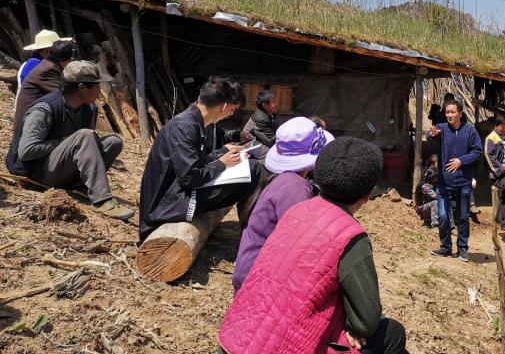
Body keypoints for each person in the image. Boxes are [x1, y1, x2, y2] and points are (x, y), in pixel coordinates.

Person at [216, 137, 479, 354]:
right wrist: (353, 326)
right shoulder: (349, 236)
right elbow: (366, 322)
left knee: (352, 344)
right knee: (390, 335)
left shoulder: (297, 211)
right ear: (367, 196)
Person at [138, 76, 261, 241]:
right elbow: (190, 177)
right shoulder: (184, 127)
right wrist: (222, 164)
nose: (231, 115)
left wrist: (224, 152)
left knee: (250, 167)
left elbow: (198, 161)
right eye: (232, 110)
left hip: (179, 192)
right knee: (253, 170)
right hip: (168, 203)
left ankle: (251, 233)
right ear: (224, 105)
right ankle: (253, 237)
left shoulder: (195, 121)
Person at [5, 60, 131, 220]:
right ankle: (102, 201)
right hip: (35, 174)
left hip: (60, 170)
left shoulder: (87, 109)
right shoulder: (45, 109)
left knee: (113, 142)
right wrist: (62, 142)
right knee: (84, 136)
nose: (100, 90)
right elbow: (26, 151)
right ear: (82, 87)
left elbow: (82, 146)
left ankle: (80, 185)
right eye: (96, 85)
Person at [232, 117, 334, 291]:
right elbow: (298, 243)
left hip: (254, 276)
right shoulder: (296, 188)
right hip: (259, 285)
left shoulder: (283, 180)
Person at [427, 99, 483, 263]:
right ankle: (445, 247)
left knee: (463, 217)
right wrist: (431, 134)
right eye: (447, 112)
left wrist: (461, 161)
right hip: (444, 182)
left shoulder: (470, 131)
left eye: (452, 112)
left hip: (464, 182)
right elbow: (430, 134)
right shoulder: (442, 128)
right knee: (443, 216)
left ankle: (463, 249)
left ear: (460, 113)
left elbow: (478, 151)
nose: (449, 115)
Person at [13, 39, 74, 129]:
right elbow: (63, 95)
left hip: (34, 119)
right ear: (65, 60)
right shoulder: (49, 69)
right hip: (28, 126)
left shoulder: (47, 65)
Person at [415, 154, 440, 228]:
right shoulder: (425, 185)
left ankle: (451, 226)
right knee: (436, 202)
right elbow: (435, 196)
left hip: (428, 204)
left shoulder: (432, 181)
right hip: (422, 208)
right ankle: (435, 225)